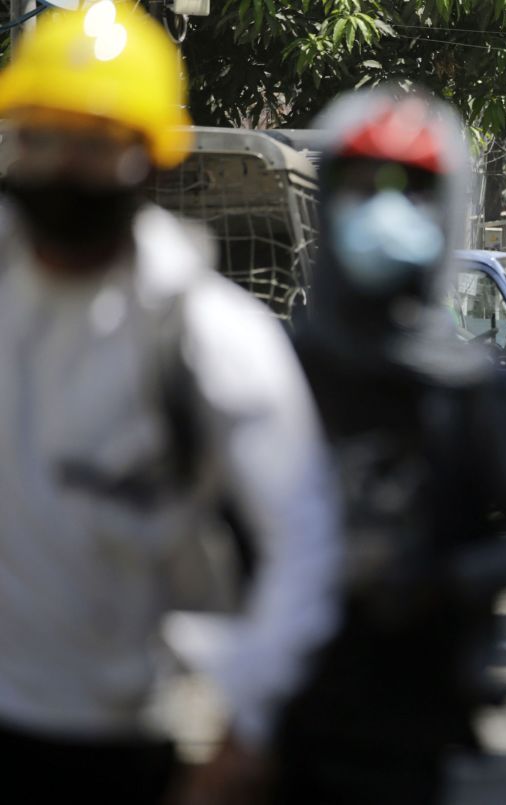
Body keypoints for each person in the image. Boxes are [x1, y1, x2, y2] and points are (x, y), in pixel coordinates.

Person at [0, 6, 342, 804]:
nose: (62, 167)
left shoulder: (212, 336)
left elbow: (303, 544)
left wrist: (245, 726)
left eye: (94, 145)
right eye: (41, 137)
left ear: (151, 160)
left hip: (147, 742)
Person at [276, 87, 506, 804]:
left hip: (414, 703)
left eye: (410, 192)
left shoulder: (471, 389)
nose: (384, 211)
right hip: (285, 691)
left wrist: (444, 581)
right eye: (361, 187)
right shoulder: (274, 370)